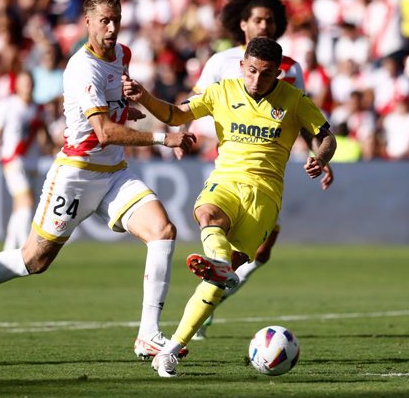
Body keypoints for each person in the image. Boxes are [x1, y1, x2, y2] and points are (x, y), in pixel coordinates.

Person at [0, 0, 196, 362]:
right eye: (105, 20)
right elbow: (102, 131)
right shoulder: (81, 68)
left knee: (163, 231)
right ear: (87, 22)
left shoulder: (123, 55)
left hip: (114, 173)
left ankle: (148, 335)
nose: (113, 28)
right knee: (34, 260)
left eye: (116, 19)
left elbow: (112, 114)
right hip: (77, 174)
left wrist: (127, 112)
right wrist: (164, 138)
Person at [122, 37, 337, 377]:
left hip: (264, 199)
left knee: (215, 284)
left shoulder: (294, 100)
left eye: (265, 75)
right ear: (242, 67)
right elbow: (177, 114)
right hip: (225, 182)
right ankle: (220, 262)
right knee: (207, 213)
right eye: (251, 71)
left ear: (277, 74)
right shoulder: (222, 92)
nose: (256, 80)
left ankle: (173, 348)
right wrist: (144, 96)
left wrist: (320, 157)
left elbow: (326, 135)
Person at [187, 0, 334, 340]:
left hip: (267, 163)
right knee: (230, 233)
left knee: (261, 253)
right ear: (242, 24)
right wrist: (184, 137)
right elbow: (194, 104)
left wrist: (321, 155)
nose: (264, 26)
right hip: (227, 157)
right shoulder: (221, 62)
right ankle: (208, 299)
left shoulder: (290, 68)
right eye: (257, 20)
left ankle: (212, 293)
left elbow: (296, 116)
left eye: (270, 20)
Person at [0, 71, 47, 251]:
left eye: (29, 83)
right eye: (23, 83)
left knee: (21, 205)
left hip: (32, 161)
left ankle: (9, 248)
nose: (27, 87)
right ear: (17, 86)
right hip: (13, 160)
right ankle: (25, 248)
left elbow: (43, 133)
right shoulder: (7, 106)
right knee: (26, 202)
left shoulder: (38, 108)